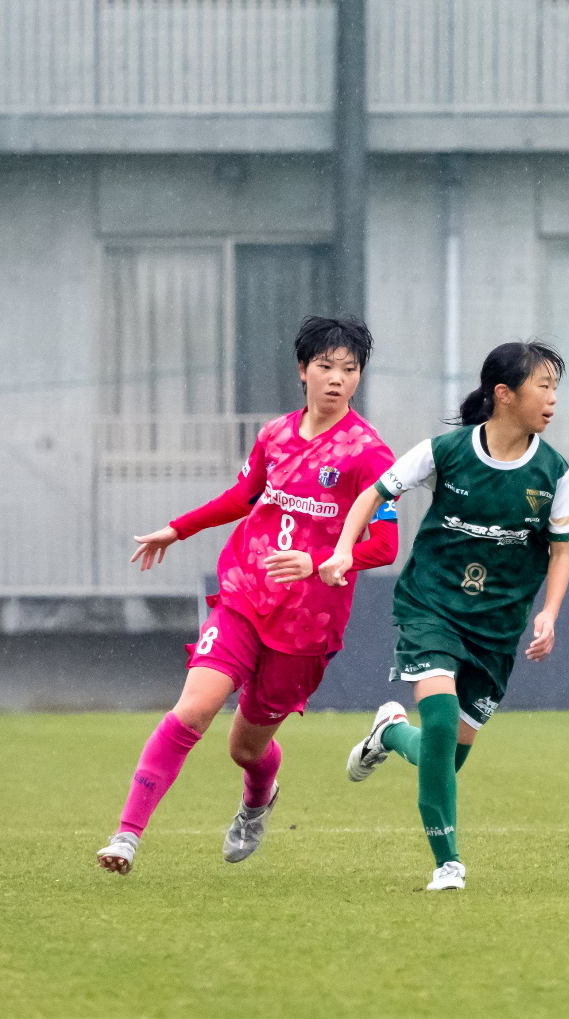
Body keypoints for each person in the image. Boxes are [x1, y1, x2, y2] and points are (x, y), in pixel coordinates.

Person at [97, 315, 399, 874]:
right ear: (302, 371)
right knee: (194, 709)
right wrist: (178, 527)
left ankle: (258, 798)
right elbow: (245, 495)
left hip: (308, 627)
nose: (337, 379)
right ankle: (126, 836)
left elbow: (384, 543)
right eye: (326, 366)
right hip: (244, 593)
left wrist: (321, 561)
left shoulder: (370, 455)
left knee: (245, 749)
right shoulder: (275, 435)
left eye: (349, 369)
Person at [319, 340, 569, 891]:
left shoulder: (554, 472)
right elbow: (375, 492)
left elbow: (560, 551)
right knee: (438, 723)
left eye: (557, 389)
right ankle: (448, 864)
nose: (553, 401)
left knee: (444, 759)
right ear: (504, 394)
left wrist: (549, 614)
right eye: (543, 387)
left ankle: (389, 733)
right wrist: (344, 548)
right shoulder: (447, 451)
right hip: (431, 606)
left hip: (498, 629)